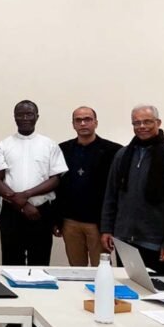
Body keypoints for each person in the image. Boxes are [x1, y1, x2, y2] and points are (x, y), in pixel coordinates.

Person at [0, 100, 67, 327]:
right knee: (11, 264)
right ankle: (14, 318)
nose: (25, 118)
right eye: (20, 114)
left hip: (41, 213)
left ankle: (37, 318)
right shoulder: (3, 145)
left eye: (29, 114)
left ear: (37, 116)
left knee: (39, 265)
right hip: (12, 214)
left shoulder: (49, 145)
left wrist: (27, 196)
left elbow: (56, 179)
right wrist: (22, 204)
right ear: (14, 117)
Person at [101, 105, 164, 275]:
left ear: (158, 122)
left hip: (155, 242)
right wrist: (106, 229)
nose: (142, 126)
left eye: (147, 122)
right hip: (124, 240)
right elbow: (111, 196)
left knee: (155, 289)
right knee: (126, 286)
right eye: (137, 123)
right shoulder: (122, 155)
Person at [54, 107, 121, 266]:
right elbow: (58, 186)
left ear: (95, 123)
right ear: (73, 124)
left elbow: (117, 190)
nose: (83, 123)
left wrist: (110, 226)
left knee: (101, 269)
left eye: (87, 119)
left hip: (98, 223)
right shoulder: (63, 149)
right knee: (76, 269)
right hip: (70, 222)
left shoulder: (113, 151)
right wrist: (56, 219)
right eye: (78, 120)